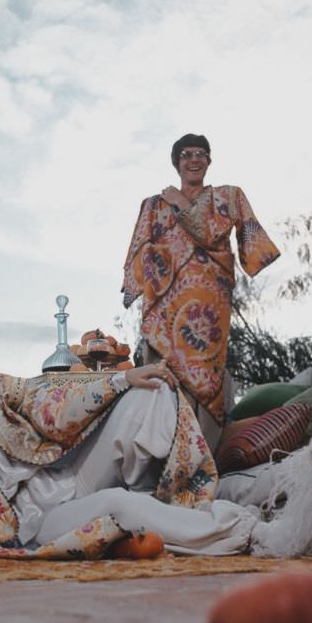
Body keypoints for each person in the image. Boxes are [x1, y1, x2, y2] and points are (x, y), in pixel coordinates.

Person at [0, 305, 264, 560]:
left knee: (147, 393)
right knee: (117, 504)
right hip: (32, 521)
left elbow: (50, 401)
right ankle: (243, 531)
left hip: (67, 477)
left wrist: (121, 381)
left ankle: (157, 511)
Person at [122, 133, 280, 449]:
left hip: (208, 300)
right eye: (185, 154)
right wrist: (142, 276)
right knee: (162, 372)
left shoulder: (227, 197)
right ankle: (160, 454)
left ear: (208, 161)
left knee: (206, 374)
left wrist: (181, 204)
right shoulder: (154, 204)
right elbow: (139, 248)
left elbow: (212, 234)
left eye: (200, 153)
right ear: (177, 163)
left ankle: (204, 455)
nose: (193, 159)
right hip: (166, 302)